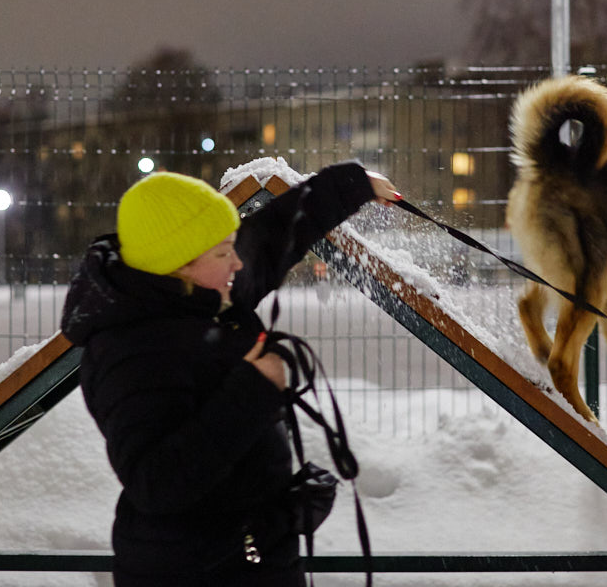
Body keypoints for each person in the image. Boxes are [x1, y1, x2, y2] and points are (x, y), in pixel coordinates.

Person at [60, 162, 400, 586]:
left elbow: (273, 237)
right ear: (179, 265)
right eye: (223, 252)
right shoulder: (131, 350)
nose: (238, 262)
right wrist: (255, 389)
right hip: (193, 573)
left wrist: (350, 185)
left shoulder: (202, 297)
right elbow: (157, 482)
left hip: (250, 557)